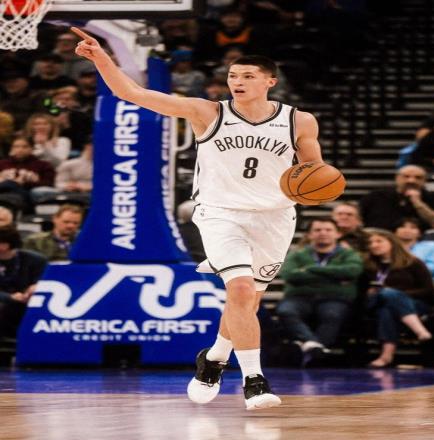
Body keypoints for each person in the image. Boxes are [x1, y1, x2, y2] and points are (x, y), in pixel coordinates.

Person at [72, 27, 323, 409]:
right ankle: (254, 381)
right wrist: (101, 58)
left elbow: (313, 171)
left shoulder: (299, 121)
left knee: (247, 302)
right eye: (233, 76)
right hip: (220, 213)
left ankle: (214, 358)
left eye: (248, 76)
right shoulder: (207, 112)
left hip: (274, 216)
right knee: (240, 291)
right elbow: (133, 93)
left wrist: (318, 185)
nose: (237, 82)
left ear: (270, 82)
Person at [276, 218, 363, 366]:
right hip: (299, 298)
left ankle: (309, 348)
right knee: (286, 311)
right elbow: (289, 275)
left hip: (334, 298)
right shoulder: (297, 254)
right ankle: (316, 348)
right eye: (317, 230)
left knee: (332, 314)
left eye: (328, 230)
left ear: (338, 234)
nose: (323, 233)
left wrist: (310, 270)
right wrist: (333, 277)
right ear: (309, 235)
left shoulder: (349, 254)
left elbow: (352, 271)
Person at [363, 228, 434, 368]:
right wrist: (370, 292)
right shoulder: (367, 264)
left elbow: (428, 290)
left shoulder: (413, 262)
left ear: (392, 242)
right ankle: (419, 330)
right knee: (387, 294)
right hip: (375, 302)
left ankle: (386, 355)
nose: (374, 245)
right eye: (370, 243)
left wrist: (400, 295)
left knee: (387, 309)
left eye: (379, 241)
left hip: (414, 303)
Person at [359, 165, 434, 231]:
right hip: (379, 240)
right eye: (406, 176)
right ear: (397, 178)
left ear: (424, 181)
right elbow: (359, 218)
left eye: (418, 178)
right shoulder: (376, 196)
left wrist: (418, 203)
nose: (411, 180)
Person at [0, 226, 47, 339]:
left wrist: (35, 288)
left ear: (4, 245)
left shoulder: (36, 260)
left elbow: (43, 282)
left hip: (28, 301)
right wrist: (9, 297)